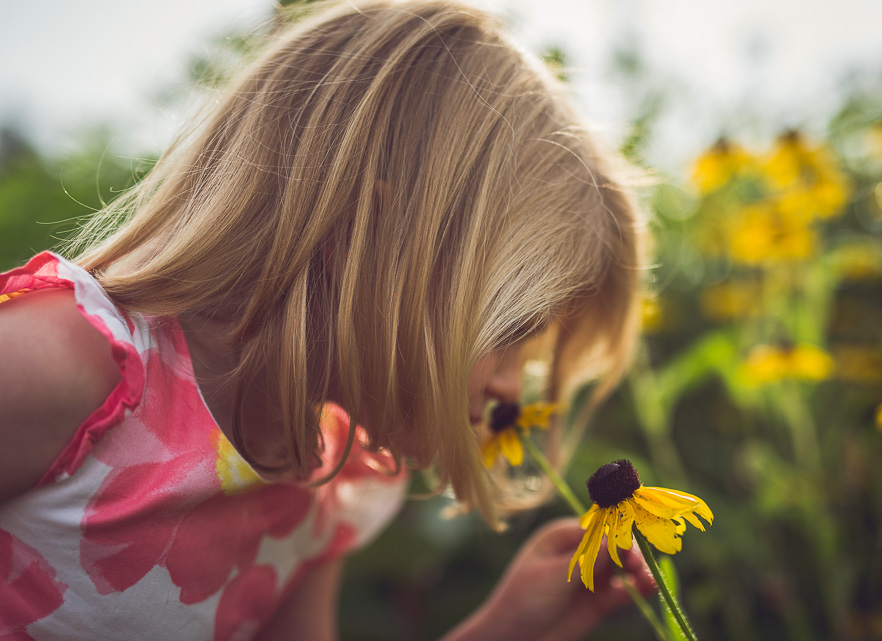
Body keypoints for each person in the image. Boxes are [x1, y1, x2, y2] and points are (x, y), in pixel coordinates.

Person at [0, 1, 652, 638]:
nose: (514, 388)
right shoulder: (67, 367)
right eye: (511, 334)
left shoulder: (321, 479)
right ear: (368, 237)